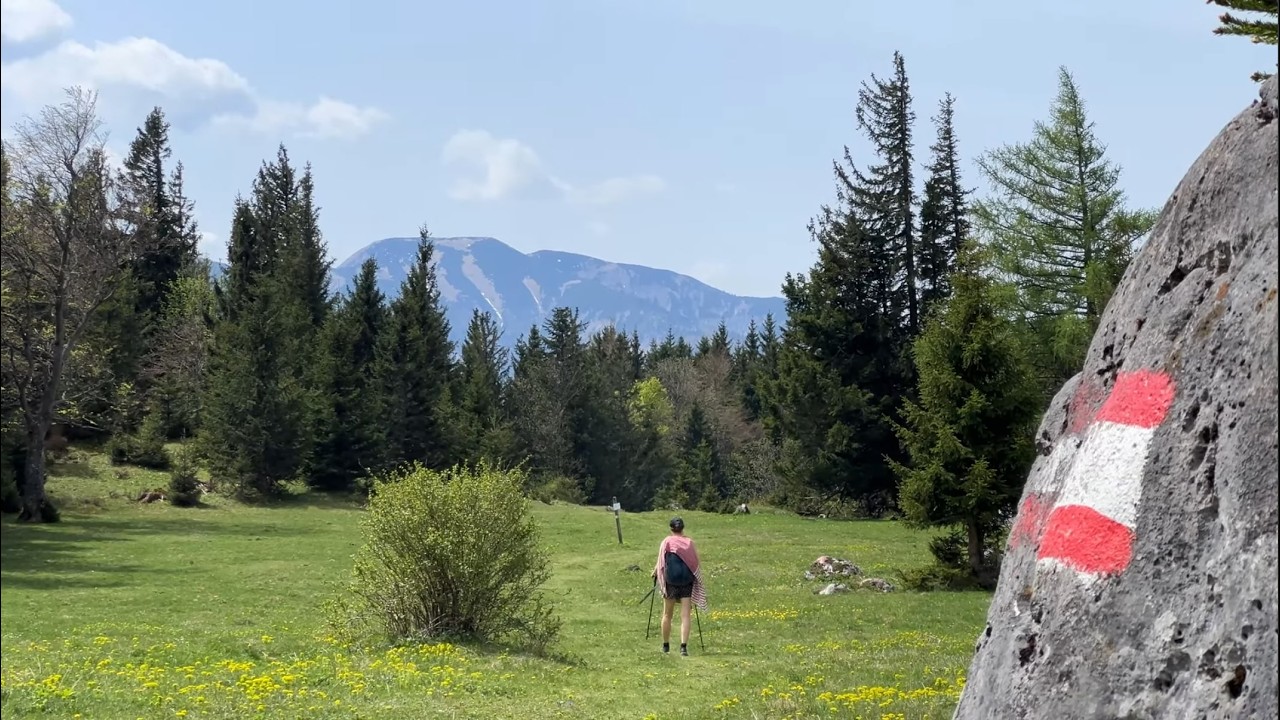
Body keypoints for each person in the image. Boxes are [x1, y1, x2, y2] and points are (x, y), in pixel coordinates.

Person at [653, 516, 706, 655]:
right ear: (682, 528)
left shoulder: (667, 542)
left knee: (667, 614)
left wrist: (655, 572)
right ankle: (683, 647)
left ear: (671, 529)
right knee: (685, 615)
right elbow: (696, 563)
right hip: (686, 582)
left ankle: (665, 645)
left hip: (671, 582)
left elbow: (661, 562)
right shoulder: (690, 543)